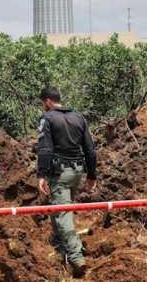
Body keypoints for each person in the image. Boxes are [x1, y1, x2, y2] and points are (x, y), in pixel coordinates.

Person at [36, 87, 97, 278]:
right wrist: (92, 174)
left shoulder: (48, 119)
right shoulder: (79, 117)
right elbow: (90, 148)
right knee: (60, 209)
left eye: (42, 104)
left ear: (47, 101)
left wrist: (41, 175)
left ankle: (77, 257)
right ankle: (61, 248)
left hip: (60, 172)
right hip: (77, 171)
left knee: (63, 214)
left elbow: (45, 149)